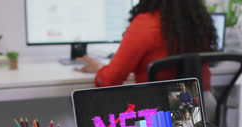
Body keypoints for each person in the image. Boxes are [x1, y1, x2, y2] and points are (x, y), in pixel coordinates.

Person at [77, 0, 217, 91]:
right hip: (204, 108)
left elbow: (111, 80)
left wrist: (99, 69)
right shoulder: (199, 22)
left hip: (159, 114)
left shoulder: (145, 24)